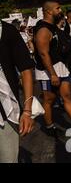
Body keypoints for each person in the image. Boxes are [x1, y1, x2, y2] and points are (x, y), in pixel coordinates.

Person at [34, 0, 71, 137]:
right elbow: (43, 53)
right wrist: (52, 74)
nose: (61, 10)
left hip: (60, 67)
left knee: (67, 95)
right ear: (48, 11)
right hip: (47, 71)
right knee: (49, 99)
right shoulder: (43, 30)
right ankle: (50, 126)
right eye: (58, 8)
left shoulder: (53, 27)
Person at [0, 20, 35, 163]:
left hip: (5, 111)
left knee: (8, 159)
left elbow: (26, 70)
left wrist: (27, 111)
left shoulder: (7, 31)